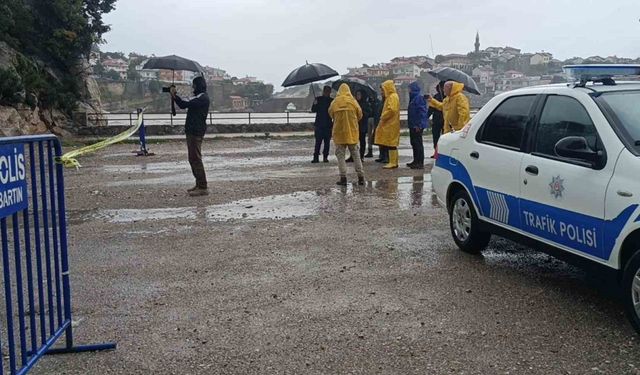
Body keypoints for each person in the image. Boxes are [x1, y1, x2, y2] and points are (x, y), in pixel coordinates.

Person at [171, 76, 211, 196]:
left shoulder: (202, 98)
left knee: (196, 158)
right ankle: (199, 183)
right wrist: (175, 96)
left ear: (198, 85)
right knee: (192, 158)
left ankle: (203, 186)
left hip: (196, 131)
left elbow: (184, 104)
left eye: (194, 85)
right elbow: (185, 103)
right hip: (193, 130)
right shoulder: (199, 97)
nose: (193, 87)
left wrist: (174, 96)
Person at [329, 84, 365, 186]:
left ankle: (343, 178)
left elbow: (330, 113)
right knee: (356, 155)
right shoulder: (353, 101)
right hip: (352, 133)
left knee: (340, 156)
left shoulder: (335, 102)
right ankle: (361, 177)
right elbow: (360, 114)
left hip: (339, 133)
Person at [374, 80, 401, 169]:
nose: (382, 92)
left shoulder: (392, 97)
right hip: (391, 123)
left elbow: (392, 110)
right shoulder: (392, 96)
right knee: (391, 143)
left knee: (391, 143)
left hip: (391, 124)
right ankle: (393, 161)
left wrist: (383, 116)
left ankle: (393, 162)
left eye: (383, 89)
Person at [406, 81, 429, 169]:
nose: (408, 90)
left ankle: (420, 162)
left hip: (417, 125)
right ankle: (415, 160)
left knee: (418, 143)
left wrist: (419, 125)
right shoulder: (413, 98)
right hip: (412, 124)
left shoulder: (418, 98)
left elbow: (422, 112)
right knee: (414, 143)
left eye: (409, 88)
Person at [347, 90, 371, 162]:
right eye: (357, 94)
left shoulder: (365, 104)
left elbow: (368, 112)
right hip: (354, 125)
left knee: (362, 141)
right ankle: (352, 156)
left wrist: (361, 112)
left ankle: (361, 156)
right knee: (353, 142)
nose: (358, 96)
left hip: (362, 125)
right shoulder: (354, 103)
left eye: (359, 94)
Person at [311, 85, 334, 163]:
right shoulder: (318, 99)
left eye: (328, 91)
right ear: (323, 91)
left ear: (330, 92)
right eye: (326, 91)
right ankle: (316, 157)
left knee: (326, 142)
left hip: (327, 124)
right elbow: (313, 110)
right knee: (318, 142)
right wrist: (315, 104)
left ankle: (325, 157)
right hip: (319, 125)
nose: (327, 93)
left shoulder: (332, 101)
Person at [426, 81, 445, 158]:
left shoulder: (449, 97)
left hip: (445, 120)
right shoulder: (436, 96)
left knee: (445, 137)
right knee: (435, 137)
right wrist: (426, 117)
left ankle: (443, 152)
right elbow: (431, 108)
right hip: (437, 119)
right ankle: (436, 152)